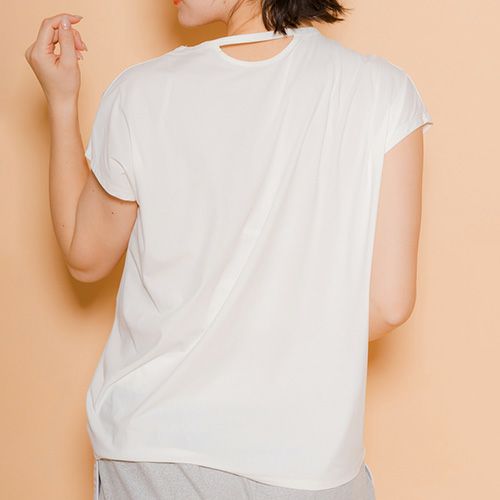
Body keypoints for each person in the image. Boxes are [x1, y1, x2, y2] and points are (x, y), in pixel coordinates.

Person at [25, 1, 433, 498]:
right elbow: (389, 304)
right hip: (309, 460)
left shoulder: (143, 92)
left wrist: (62, 102)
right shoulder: (384, 92)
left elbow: (85, 256)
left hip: (157, 449)